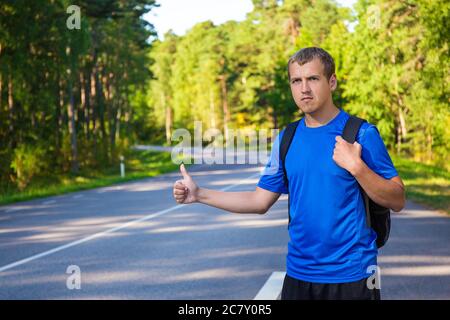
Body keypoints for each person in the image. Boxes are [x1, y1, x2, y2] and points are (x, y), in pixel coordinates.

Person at [172, 47, 405, 300]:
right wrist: (199, 194)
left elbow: (397, 199)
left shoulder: (361, 134)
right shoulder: (287, 139)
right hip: (298, 275)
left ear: (332, 82)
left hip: (354, 275)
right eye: (297, 80)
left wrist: (357, 167)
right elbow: (258, 201)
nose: (304, 88)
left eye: (313, 79)